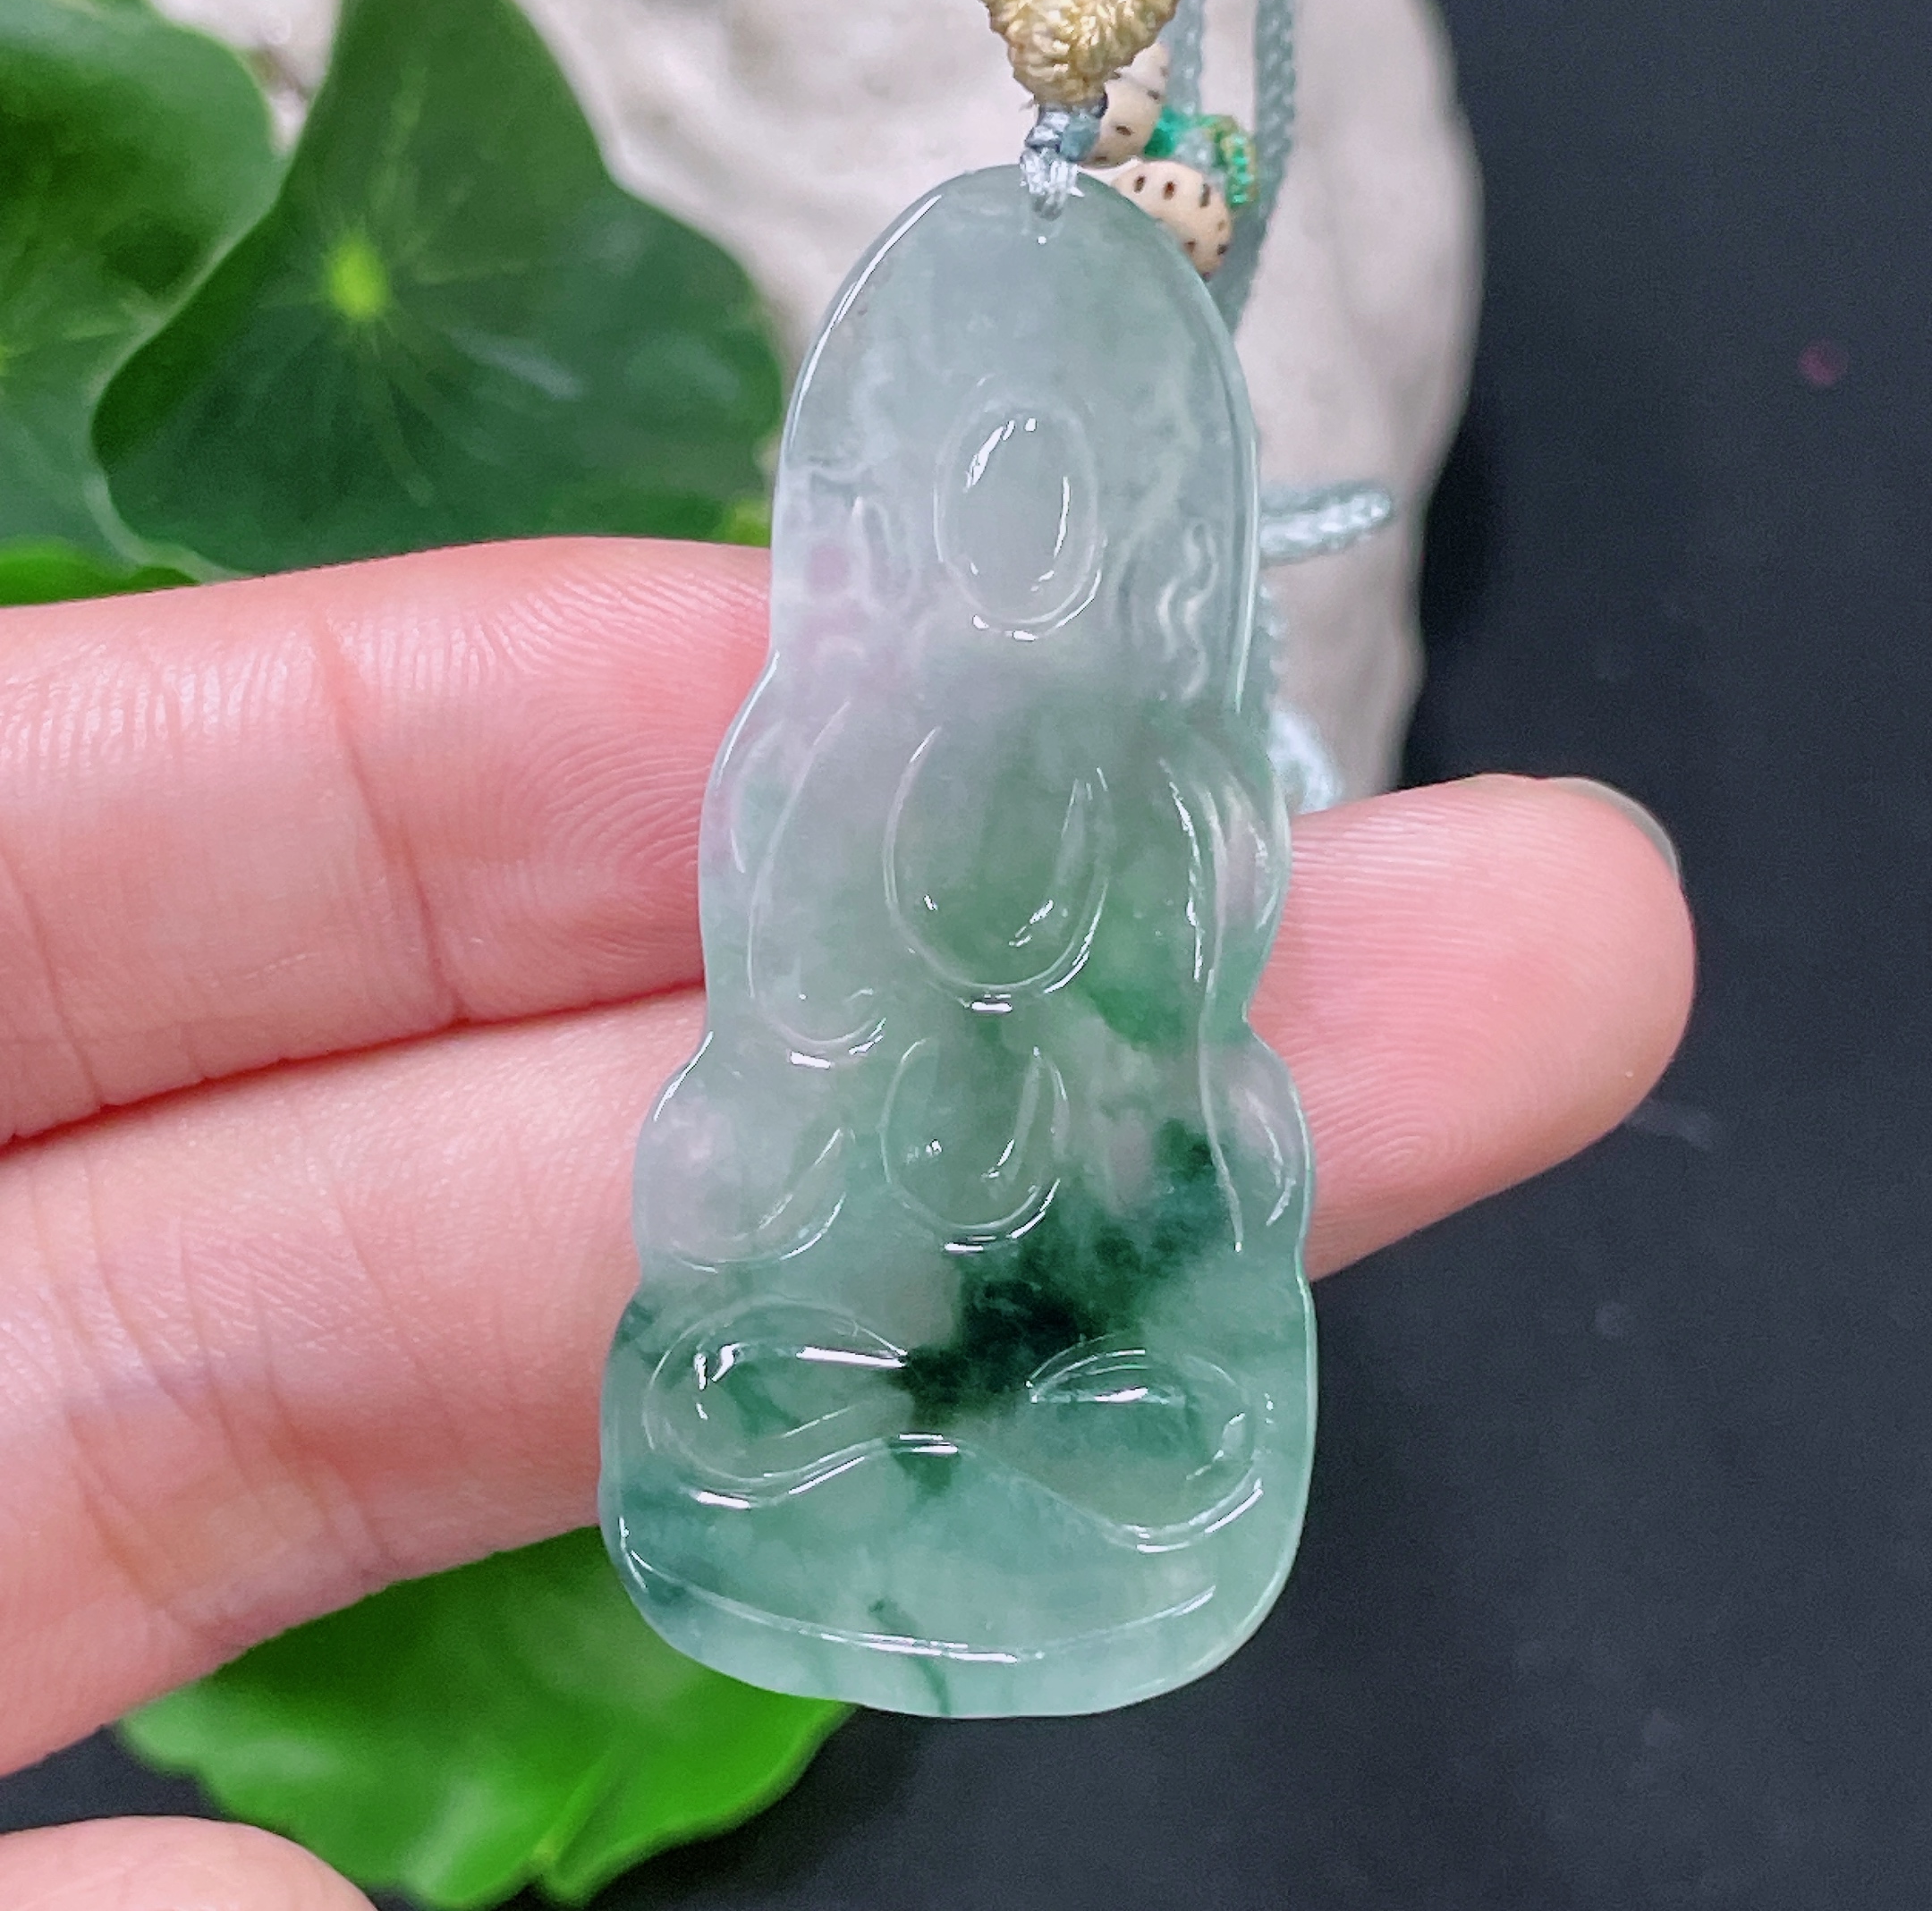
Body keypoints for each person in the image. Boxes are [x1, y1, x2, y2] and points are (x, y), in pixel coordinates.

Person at [0, 537, 1693, 1909]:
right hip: (838, 1313)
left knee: (1151, 1408)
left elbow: (1208, 1137)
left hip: (1061, 1349)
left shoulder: (1150, 927)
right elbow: (748, 1138)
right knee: (739, 1377)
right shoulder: (833, 886)